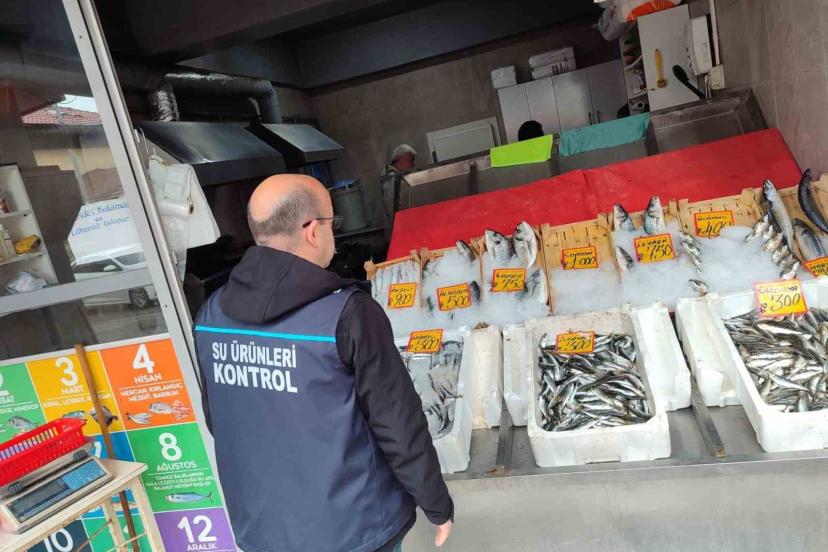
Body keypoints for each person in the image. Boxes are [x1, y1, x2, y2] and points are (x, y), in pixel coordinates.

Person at [193, 174, 454, 552]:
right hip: (355, 531)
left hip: (264, 531)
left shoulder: (211, 314)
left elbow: (219, 420)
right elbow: (397, 422)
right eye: (334, 222)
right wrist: (436, 503)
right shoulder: (347, 314)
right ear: (313, 230)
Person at [380, 144, 417, 240]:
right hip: (398, 233)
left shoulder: (394, 177)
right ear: (401, 159)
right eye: (411, 160)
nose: (413, 164)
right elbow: (392, 210)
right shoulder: (392, 179)